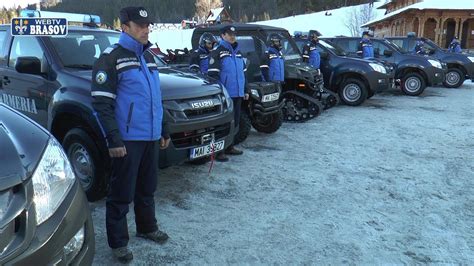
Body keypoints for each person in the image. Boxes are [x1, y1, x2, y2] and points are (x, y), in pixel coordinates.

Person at [91, 6, 170, 263]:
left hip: (150, 136)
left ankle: (147, 228)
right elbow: (102, 104)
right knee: (122, 192)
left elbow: (156, 98)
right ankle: (118, 242)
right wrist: (113, 139)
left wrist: (163, 129)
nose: (146, 29)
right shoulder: (111, 58)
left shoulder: (148, 57)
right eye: (140, 25)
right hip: (127, 139)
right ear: (124, 27)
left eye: (148, 25)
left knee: (147, 188)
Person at [208, 25, 249, 160]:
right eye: (229, 34)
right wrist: (219, 94)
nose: (232, 36)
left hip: (237, 93)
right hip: (225, 95)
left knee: (235, 121)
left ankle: (229, 146)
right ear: (222, 36)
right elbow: (213, 75)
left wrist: (245, 90)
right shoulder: (218, 51)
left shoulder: (238, 52)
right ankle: (218, 152)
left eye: (233, 34)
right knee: (223, 123)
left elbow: (243, 73)